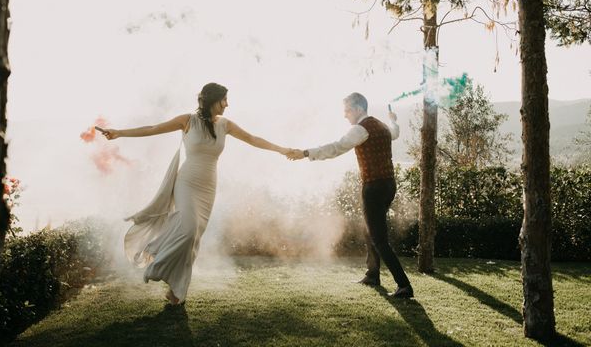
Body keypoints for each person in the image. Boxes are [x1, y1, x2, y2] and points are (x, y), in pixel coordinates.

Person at [97, 82, 292, 305]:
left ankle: (177, 291)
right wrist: (118, 133)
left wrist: (282, 150)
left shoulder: (225, 124)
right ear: (212, 100)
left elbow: (253, 139)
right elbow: (152, 128)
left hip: (208, 187)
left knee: (193, 241)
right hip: (187, 182)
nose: (227, 104)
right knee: (188, 230)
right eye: (224, 100)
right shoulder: (187, 121)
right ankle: (156, 258)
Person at [287, 92, 413, 298]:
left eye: (347, 110)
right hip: (389, 184)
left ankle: (404, 285)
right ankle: (372, 274)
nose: (345, 115)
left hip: (373, 187)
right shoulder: (381, 125)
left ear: (358, 109)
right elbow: (395, 133)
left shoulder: (360, 129)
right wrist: (393, 121)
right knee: (369, 230)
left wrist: (306, 153)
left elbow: (337, 148)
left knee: (379, 238)